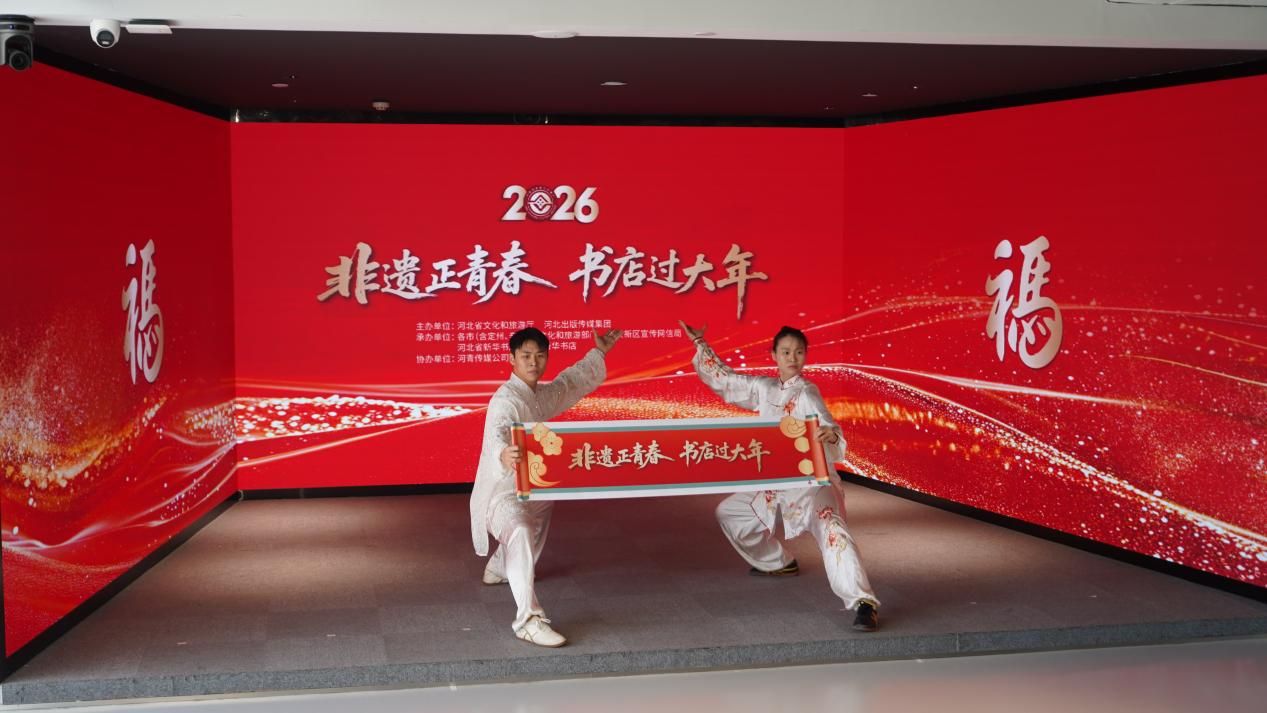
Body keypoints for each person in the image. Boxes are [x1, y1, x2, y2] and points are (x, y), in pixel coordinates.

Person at [679, 320, 880, 631]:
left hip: (813, 484)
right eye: (786, 352)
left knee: (834, 531)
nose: (792, 358)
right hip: (777, 484)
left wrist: (830, 434)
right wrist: (701, 344)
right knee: (730, 513)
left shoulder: (807, 392)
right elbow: (727, 380)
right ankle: (778, 562)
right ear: (774, 355)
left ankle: (863, 602)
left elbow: (827, 422)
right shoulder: (765, 388)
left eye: (799, 352)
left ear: (805, 355)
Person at [470, 326, 622, 647]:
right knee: (521, 528)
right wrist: (502, 452)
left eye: (539, 356)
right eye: (526, 356)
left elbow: (570, 382)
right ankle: (528, 620)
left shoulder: (540, 395)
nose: (533, 362)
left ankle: (500, 566)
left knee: (544, 501)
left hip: (529, 487)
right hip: (501, 493)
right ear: (511, 359)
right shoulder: (506, 400)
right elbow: (496, 430)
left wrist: (599, 352)